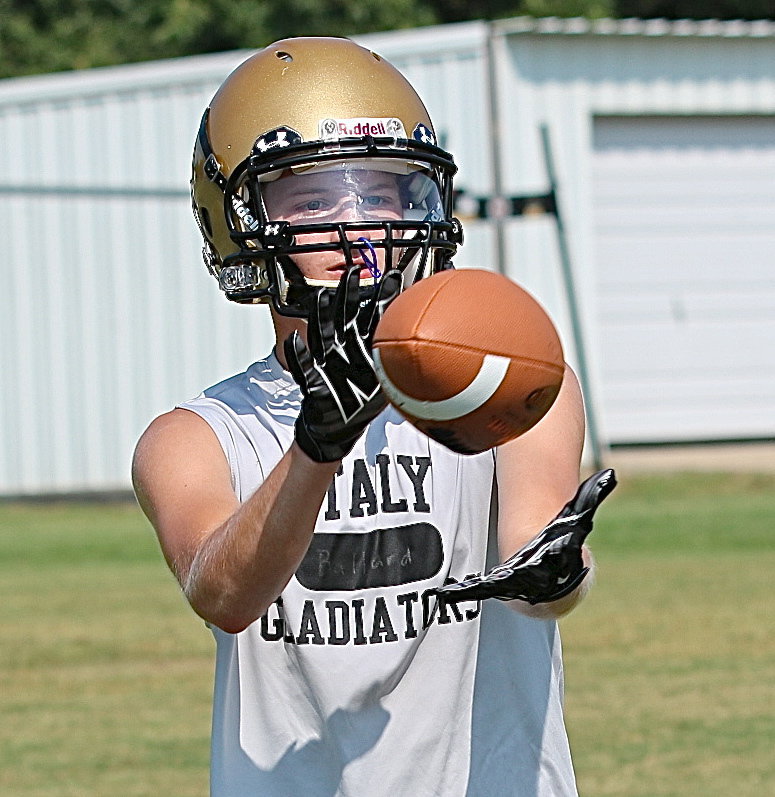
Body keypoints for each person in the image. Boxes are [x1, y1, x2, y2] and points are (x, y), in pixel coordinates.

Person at [132, 36, 615, 797]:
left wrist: (559, 570)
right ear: (241, 220)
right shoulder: (197, 434)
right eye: (314, 197)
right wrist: (316, 446)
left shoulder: (497, 380)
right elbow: (223, 596)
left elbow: (537, 557)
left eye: (384, 192)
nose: (358, 226)